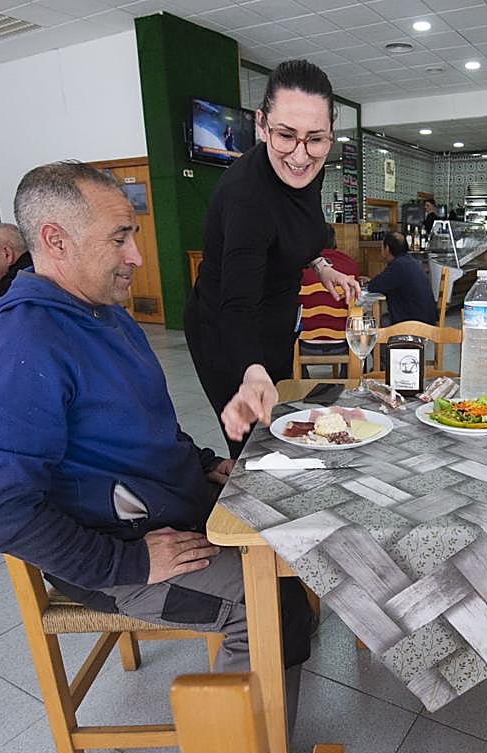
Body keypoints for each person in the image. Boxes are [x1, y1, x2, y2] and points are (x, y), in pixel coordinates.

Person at [0, 161, 312, 753]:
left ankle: (275, 701)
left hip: (163, 506)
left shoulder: (104, 312)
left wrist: (206, 462)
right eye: (120, 237)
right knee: (258, 596)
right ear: (56, 239)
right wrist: (131, 562)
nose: (137, 254)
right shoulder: (27, 345)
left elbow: (142, 428)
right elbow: (3, 514)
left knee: (293, 523)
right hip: (109, 554)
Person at [185, 59, 362, 458]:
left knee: (284, 425)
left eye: (316, 139)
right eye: (286, 136)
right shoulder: (247, 198)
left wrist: (321, 265)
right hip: (226, 327)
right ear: (262, 125)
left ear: (330, 136)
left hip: (278, 316)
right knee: (257, 447)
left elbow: (302, 228)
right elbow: (238, 302)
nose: (300, 156)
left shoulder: (309, 168)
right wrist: (250, 369)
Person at [297, 224, 358, 372]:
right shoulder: (350, 264)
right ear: (334, 240)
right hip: (343, 342)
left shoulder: (298, 265)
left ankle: (301, 380)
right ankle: (345, 378)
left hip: (304, 342)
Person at [366, 231, 437, 326]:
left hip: (413, 323)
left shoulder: (398, 266)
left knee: (372, 324)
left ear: (387, 248)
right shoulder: (411, 261)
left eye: (382, 247)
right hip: (425, 318)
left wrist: (369, 282)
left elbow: (374, 286)